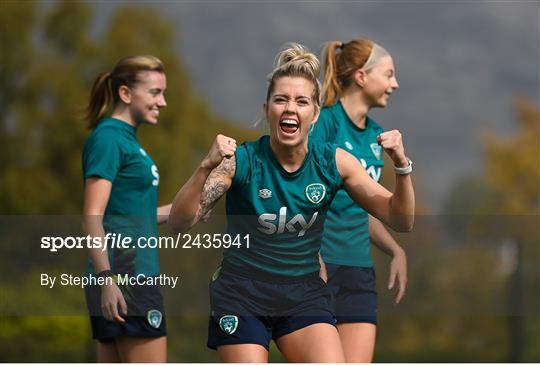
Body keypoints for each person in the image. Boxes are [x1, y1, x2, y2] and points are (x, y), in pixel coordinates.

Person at [168, 43, 414, 363]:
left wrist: (401, 165)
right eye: (280, 99)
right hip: (242, 294)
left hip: (303, 295)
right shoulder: (241, 161)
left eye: (301, 102)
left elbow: (401, 220)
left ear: (313, 113)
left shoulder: (335, 162)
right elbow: (180, 222)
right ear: (266, 108)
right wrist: (204, 167)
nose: (289, 108)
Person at [311, 38, 409, 362]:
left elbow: (365, 209)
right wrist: (311, 256)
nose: (395, 84)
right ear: (362, 77)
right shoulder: (323, 123)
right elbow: (301, 197)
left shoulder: (376, 137)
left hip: (358, 273)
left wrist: (394, 249)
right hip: (316, 268)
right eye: (389, 74)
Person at [82, 55, 171, 362]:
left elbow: (132, 217)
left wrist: (193, 204)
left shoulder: (129, 141)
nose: (163, 102)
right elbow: (92, 216)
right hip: (126, 278)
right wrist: (107, 280)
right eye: (155, 92)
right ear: (125, 93)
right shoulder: (108, 139)